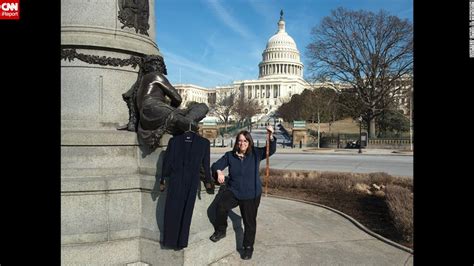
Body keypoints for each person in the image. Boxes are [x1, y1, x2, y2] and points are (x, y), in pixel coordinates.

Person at [209, 126, 276, 260]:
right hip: (234, 191)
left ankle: (248, 247)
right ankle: (221, 230)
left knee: (249, 222)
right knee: (221, 206)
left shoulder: (256, 153)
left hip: (251, 194)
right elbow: (215, 165)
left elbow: (270, 150)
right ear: (236, 142)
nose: (242, 143)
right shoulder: (230, 155)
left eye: (245, 141)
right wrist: (219, 171)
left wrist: (271, 136)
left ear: (249, 142)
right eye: (240, 141)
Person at [121, 55, 209, 151]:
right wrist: (173, 108)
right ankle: (186, 122)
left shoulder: (140, 82)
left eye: (159, 64)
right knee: (203, 107)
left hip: (146, 117)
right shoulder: (156, 76)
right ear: (148, 66)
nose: (158, 66)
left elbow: (129, 98)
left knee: (198, 109)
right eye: (156, 64)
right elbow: (177, 98)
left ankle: (185, 121)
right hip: (155, 108)